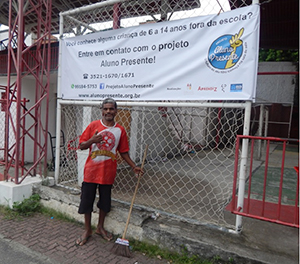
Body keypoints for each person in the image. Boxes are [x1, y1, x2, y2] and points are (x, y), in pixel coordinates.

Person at [75, 98, 143, 246]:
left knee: (105, 203)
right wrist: (92, 140)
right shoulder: (93, 125)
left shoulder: (120, 130)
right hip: (91, 172)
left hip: (108, 173)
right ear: (102, 110)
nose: (108, 111)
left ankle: (100, 227)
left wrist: (133, 166)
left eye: (111, 109)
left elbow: (123, 152)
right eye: (105, 109)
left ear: (116, 111)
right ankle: (87, 230)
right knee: (87, 201)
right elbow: (81, 146)